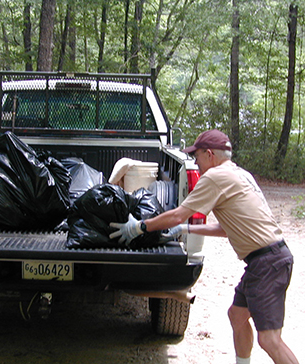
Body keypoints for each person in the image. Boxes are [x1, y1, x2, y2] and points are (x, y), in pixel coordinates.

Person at [110, 129, 298, 364]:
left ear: (210, 154)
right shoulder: (240, 174)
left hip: (267, 263)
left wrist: (141, 226)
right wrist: (187, 230)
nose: (196, 163)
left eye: (197, 157)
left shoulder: (214, 177)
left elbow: (178, 214)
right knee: (237, 315)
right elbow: (229, 228)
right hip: (270, 258)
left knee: (269, 340)